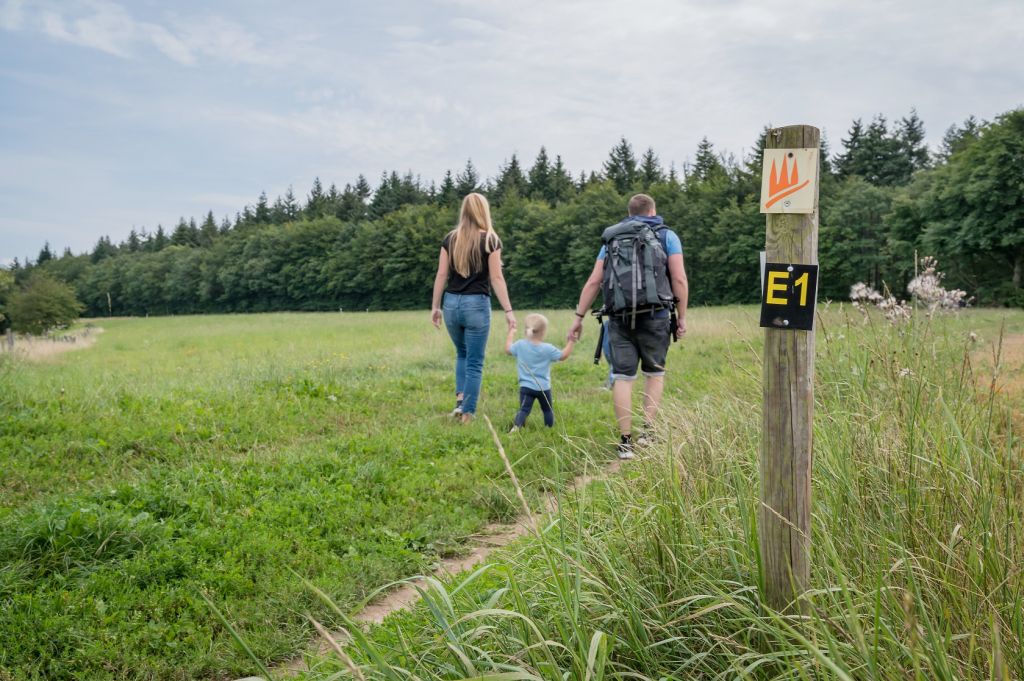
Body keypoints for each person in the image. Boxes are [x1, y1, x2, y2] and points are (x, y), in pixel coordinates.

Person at [568, 193, 688, 458]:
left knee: (623, 377)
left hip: (619, 317)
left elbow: (593, 281)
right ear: (653, 209)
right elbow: (678, 278)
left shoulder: (612, 238)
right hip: (656, 315)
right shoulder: (666, 235)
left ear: (629, 212)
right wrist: (681, 317)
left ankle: (625, 442)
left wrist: (578, 318)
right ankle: (647, 433)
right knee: (654, 374)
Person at [431, 193, 516, 423]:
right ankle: (467, 413)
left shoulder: (450, 238)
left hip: (451, 304)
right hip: (476, 305)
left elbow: (441, 275)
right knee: (475, 360)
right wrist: (509, 311)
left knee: (462, 354)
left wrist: (435, 307)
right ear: (483, 211)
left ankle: (460, 403)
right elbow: (497, 279)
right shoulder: (490, 239)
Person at [505, 313, 575, 431]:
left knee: (524, 409)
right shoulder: (548, 348)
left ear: (526, 330)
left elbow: (508, 349)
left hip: (526, 387)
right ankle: (549, 430)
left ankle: (516, 428)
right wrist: (571, 342)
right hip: (544, 388)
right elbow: (563, 356)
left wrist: (511, 332)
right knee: (547, 410)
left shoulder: (520, 345)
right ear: (543, 332)